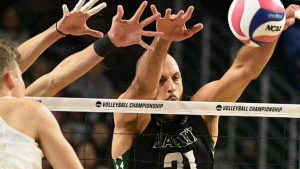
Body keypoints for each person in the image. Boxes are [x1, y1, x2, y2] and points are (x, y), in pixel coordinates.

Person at [111, 4, 300, 169]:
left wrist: (271, 30)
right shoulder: (131, 117)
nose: (171, 87)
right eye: (161, 81)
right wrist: (164, 38)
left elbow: (244, 70)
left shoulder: (200, 109)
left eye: (176, 78)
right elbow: (142, 87)